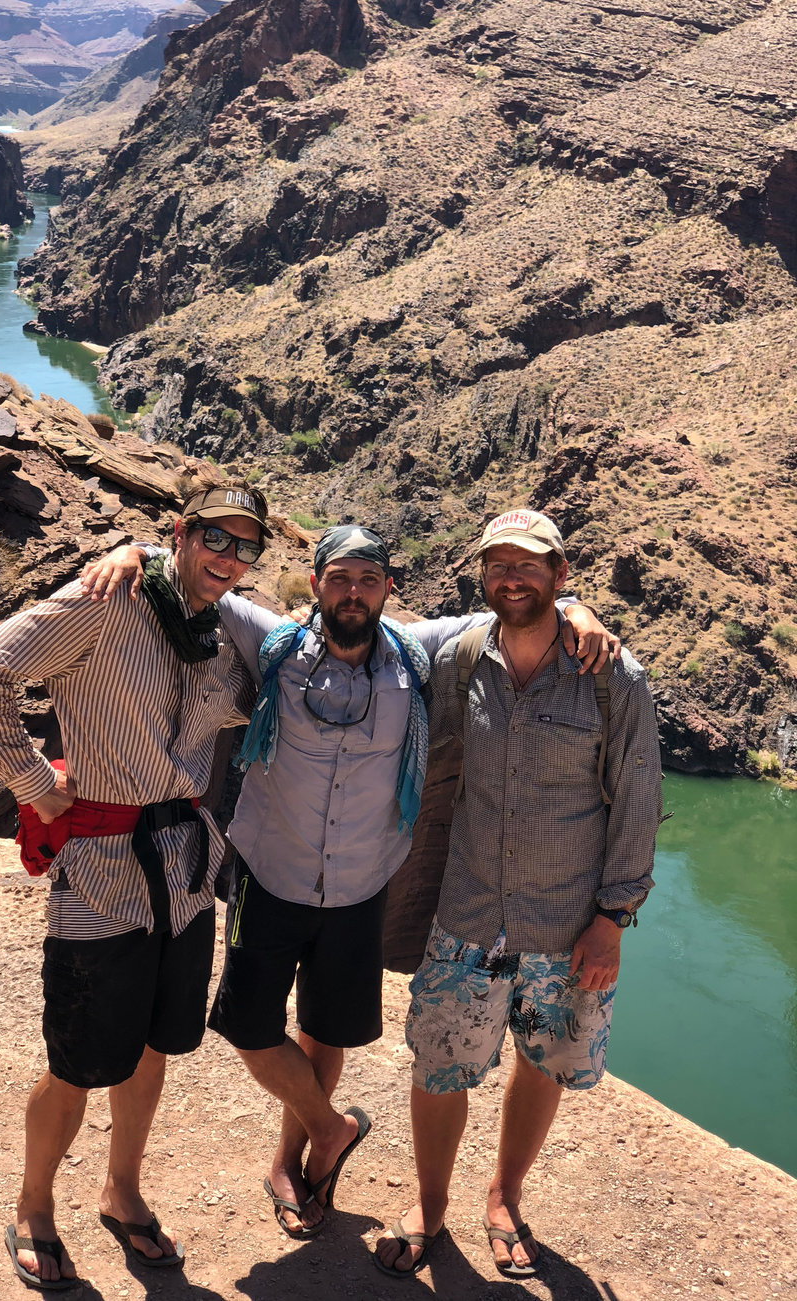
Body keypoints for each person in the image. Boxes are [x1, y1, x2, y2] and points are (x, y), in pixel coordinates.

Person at [82, 523, 617, 1240]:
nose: (355, 592)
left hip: (362, 885)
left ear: (388, 589)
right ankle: (332, 1127)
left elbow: (517, 604)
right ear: (316, 582)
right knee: (246, 1025)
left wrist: (577, 605)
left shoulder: (416, 652)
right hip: (269, 873)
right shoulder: (270, 641)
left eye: (369, 579)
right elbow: (195, 576)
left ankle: (294, 1163)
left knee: (323, 1030)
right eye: (341, 578)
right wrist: (135, 550)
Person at [0, 483, 271, 1289]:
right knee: (76, 1059)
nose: (227, 558)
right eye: (214, 539)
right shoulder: (107, 597)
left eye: (244, 547)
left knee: (154, 1045)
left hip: (186, 870)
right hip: (101, 869)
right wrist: (30, 780)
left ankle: (121, 1189)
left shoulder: (221, 626)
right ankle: (33, 1205)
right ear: (181, 531)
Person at [374, 508, 663, 1279]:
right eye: (499, 563)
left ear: (559, 575)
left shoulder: (613, 679)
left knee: (541, 1062)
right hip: (466, 913)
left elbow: (636, 803)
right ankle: (431, 1206)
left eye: (530, 564)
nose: (513, 576)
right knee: (439, 1066)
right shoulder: (463, 657)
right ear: (483, 575)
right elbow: (366, 627)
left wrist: (613, 919)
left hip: (566, 926)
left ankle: (504, 1195)